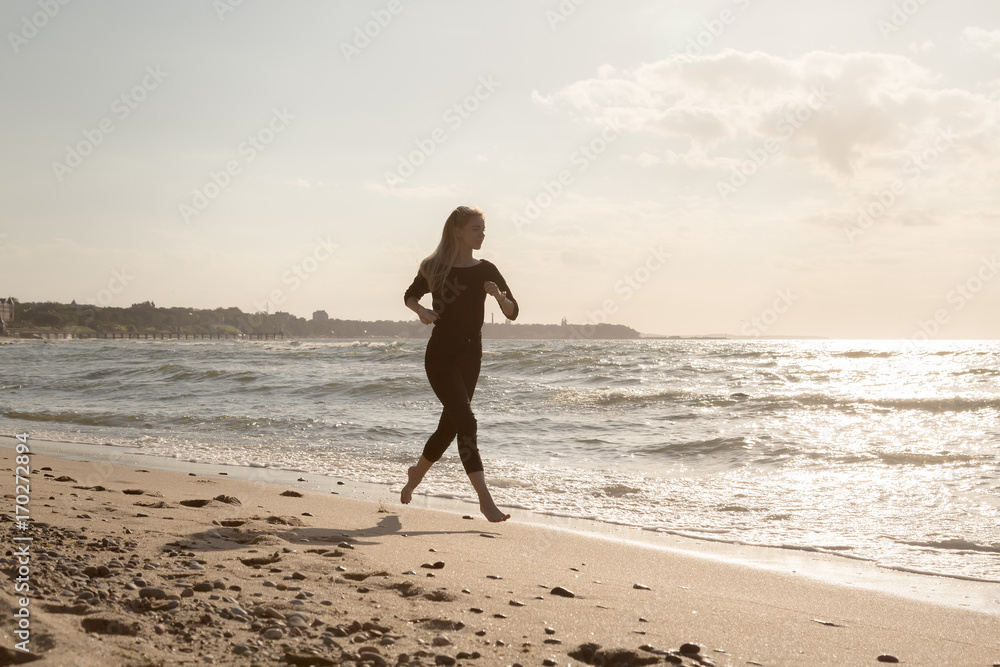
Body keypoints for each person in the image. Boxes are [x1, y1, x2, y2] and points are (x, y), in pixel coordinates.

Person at [400, 205, 519, 522]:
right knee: (467, 422)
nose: (482, 234)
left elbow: (513, 311)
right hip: (440, 356)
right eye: (476, 229)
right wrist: (421, 311)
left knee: (449, 426)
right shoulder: (435, 266)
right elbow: (410, 295)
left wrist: (499, 297)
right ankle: (485, 501)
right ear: (458, 231)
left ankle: (415, 474)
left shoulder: (486, 270)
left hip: (471, 357)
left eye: (484, 229)